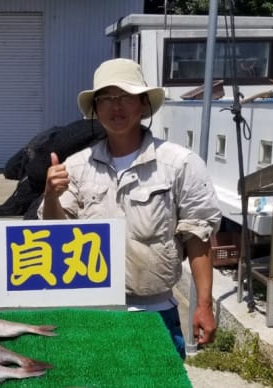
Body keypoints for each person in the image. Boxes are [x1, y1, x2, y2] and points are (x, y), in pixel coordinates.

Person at [40, 58, 222, 359]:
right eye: (107, 99)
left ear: (143, 104)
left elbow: (197, 238)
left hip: (156, 310)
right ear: (96, 109)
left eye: (125, 96)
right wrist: (50, 196)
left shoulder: (179, 164)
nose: (117, 106)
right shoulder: (75, 167)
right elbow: (53, 234)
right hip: (92, 311)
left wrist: (204, 304)